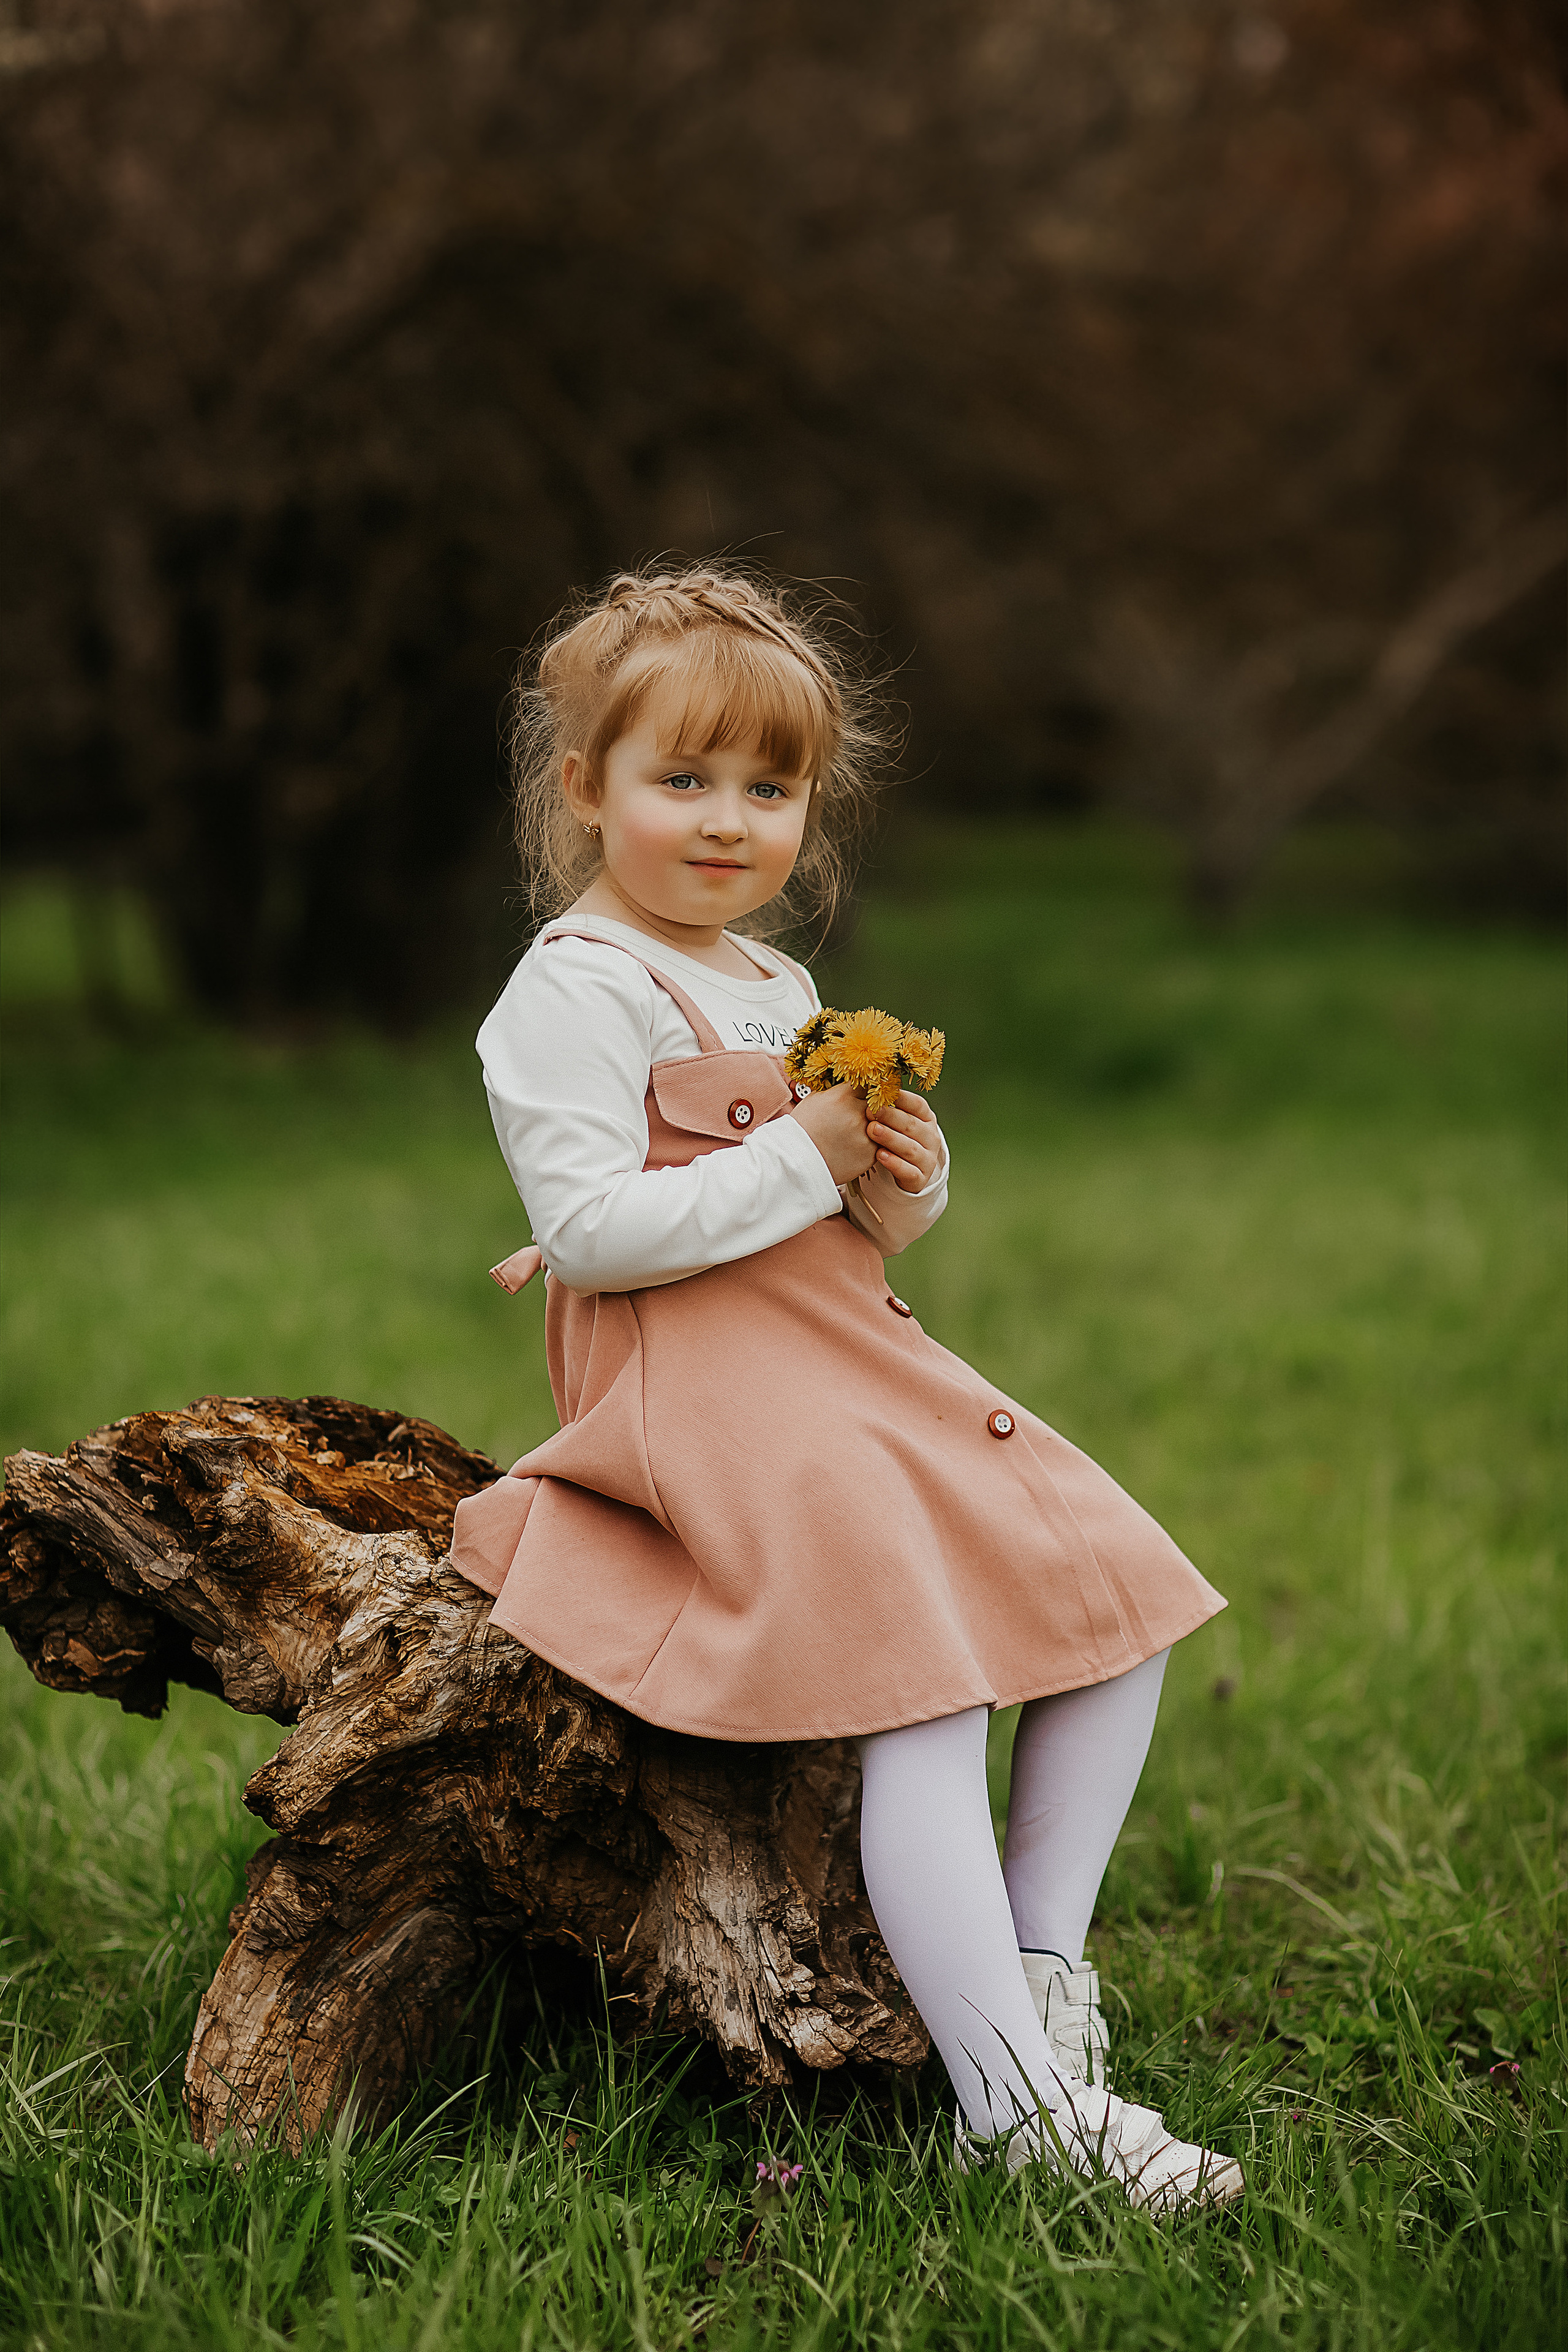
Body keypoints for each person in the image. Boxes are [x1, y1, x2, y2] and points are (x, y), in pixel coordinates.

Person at [451, 562, 1242, 2215]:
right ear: (585, 787)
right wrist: (802, 1157)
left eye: (772, 787)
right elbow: (593, 1233)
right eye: (683, 780)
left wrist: (894, 1175)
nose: (729, 821)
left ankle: (1038, 1982)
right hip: (706, 1395)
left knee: (1119, 1613)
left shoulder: (777, 986)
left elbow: (849, 1231)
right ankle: (1011, 2113)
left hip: (846, 1367)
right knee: (928, 1690)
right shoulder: (571, 991)